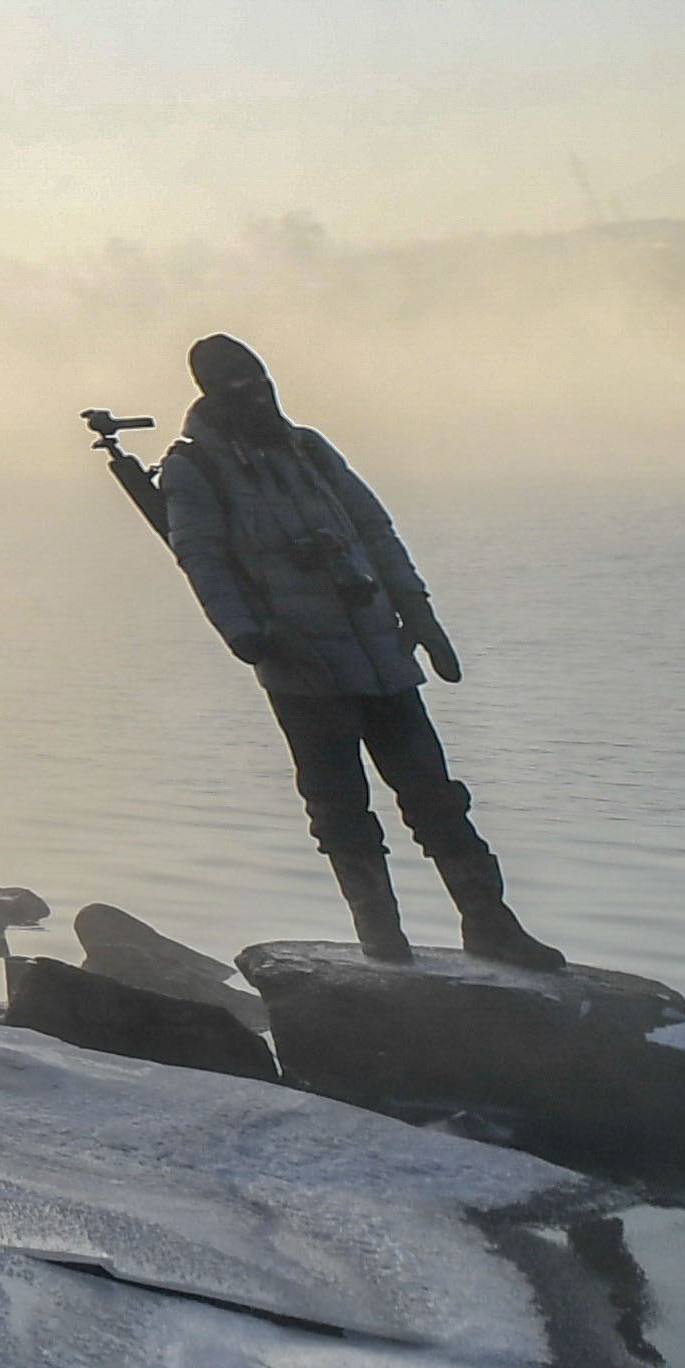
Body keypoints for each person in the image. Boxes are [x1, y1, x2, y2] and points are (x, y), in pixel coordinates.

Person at [144, 335, 563, 969]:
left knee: (437, 798)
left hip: (382, 652)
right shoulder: (194, 468)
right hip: (300, 668)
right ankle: (382, 939)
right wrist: (246, 634)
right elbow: (200, 557)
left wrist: (418, 611)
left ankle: (491, 925)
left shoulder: (307, 447)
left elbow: (374, 527)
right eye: (238, 386)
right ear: (209, 393)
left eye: (260, 380)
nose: (257, 394)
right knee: (339, 808)